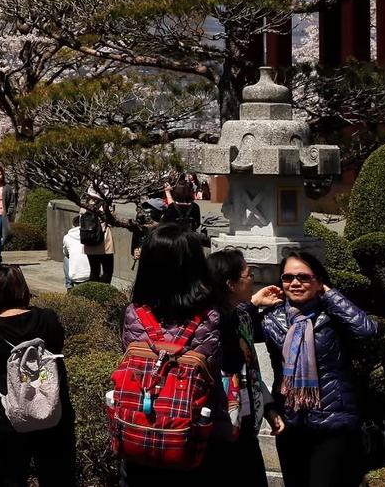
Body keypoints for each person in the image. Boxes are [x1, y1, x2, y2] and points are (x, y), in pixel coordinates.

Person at [120, 223, 229, 487]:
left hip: (139, 432)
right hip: (190, 438)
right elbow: (213, 373)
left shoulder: (134, 313)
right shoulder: (210, 317)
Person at [262, 251, 378, 487]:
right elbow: (231, 331)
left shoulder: (333, 315)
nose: (295, 283)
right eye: (287, 278)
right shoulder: (272, 318)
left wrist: (329, 294)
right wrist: (253, 303)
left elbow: (367, 330)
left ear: (318, 280)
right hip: (290, 421)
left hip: (333, 421)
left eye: (304, 277)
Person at [0, 264, 74, 487]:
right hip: (54, 412)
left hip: (8, 417)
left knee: (7, 479)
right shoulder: (48, 319)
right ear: (23, 288)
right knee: (59, 477)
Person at [205, 249, 285, 487]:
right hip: (221, 423)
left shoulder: (241, 316)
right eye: (248, 274)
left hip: (246, 421)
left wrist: (268, 407)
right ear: (231, 284)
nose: (253, 279)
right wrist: (251, 305)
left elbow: (250, 369)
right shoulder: (210, 323)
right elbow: (231, 358)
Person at [83, 203, 117, 284]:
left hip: (89, 241)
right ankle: (104, 292)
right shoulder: (105, 205)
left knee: (94, 270)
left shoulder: (84, 206)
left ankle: (93, 293)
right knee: (108, 271)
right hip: (104, 243)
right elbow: (112, 223)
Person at [61, 216, 91, 291]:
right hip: (92, 274)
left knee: (66, 258)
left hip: (75, 276)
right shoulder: (90, 235)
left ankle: (69, 286)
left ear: (72, 226)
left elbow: (65, 253)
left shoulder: (67, 238)